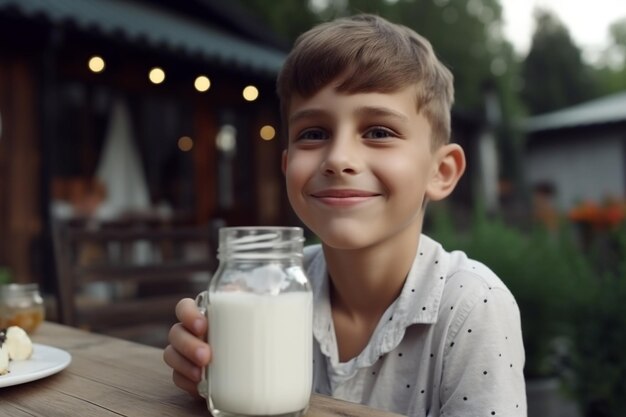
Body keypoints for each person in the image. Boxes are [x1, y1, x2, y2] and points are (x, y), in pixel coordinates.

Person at [163, 14, 526, 417]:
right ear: (287, 167)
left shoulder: (472, 307)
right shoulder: (271, 285)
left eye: (379, 132)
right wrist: (207, 374)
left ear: (440, 172)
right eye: (314, 133)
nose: (338, 160)